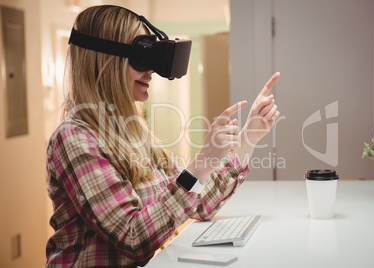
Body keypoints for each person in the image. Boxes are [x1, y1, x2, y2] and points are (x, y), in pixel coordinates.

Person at [45, 5, 280, 267]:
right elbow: (133, 238)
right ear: (106, 61)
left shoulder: (133, 131)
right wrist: (199, 166)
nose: (151, 71)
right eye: (142, 57)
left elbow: (198, 204)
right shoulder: (75, 138)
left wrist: (249, 137)